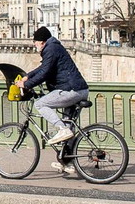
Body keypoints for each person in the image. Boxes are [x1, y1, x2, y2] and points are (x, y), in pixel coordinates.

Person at [15, 26, 89, 175]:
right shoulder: (54, 47)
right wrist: (28, 76)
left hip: (72, 89)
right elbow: (43, 68)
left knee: (40, 104)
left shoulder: (51, 49)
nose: (34, 45)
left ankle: (62, 129)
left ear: (41, 41)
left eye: (35, 42)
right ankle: (67, 162)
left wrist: (26, 84)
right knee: (69, 126)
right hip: (80, 89)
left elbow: (45, 72)